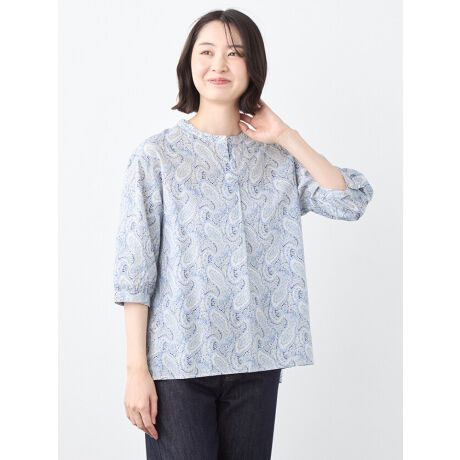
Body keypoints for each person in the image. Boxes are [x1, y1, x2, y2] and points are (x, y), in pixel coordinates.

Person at [113, 8, 374, 460]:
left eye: (234, 53)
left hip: (257, 361)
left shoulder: (278, 158)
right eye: (206, 52)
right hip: (179, 363)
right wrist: (137, 369)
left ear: (253, 66)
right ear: (189, 63)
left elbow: (350, 201)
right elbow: (135, 271)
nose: (219, 64)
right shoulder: (155, 157)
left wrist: (287, 135)